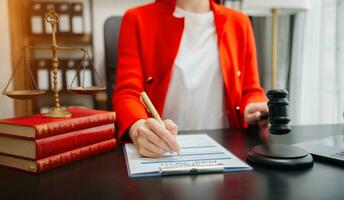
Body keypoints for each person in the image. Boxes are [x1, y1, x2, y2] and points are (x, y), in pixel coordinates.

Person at [113, 0, 268, 158]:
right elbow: (128, 92)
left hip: (226, 151)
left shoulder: (239, 22)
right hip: (161, 153)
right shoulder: (137, 18)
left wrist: (254, 107)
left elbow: (250, 89)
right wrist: (138, 128)